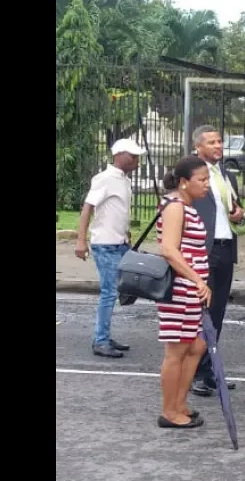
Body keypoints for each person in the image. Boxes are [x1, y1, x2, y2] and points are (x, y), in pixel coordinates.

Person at [189, 125, 245, 397]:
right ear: (198, 147)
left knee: (218, 314)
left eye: (220, 141)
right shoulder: (190, 174)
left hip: (226, 249)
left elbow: (236, 210)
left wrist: (240, 215)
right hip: (203, 250)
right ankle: (197, 374)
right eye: (211, 142)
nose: (218, 146)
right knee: (203, 314)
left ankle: (210, 370)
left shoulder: (227, 176)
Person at [155, 155, 212, 428]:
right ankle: (169, 411)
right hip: (180, 290)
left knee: (196, 345)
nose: (207, 185)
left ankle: (179, 404)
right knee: (176, 351)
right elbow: (169, 250)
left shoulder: (187, 206)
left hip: (190, 291)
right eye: (202, 180)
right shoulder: (176, 207)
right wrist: (197, 280)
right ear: (184, 182)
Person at [75, 139, 145, 358]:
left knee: (119, 290)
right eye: (132, 156)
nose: (136, 160)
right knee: (109, 292)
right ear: (118, 155)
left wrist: (126, 236)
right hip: (105, 245)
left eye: (137, 156)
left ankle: (104, 335)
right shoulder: (105, 179)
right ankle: (101, 340)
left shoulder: (123, 180)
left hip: (120, 243)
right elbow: (87, 208)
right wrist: (81, 241)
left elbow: (118, 211)